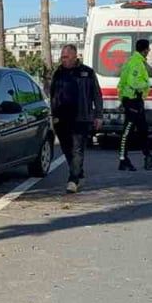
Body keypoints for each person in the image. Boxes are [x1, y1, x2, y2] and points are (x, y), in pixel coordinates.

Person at [49, 44, 103, 194]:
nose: (63, 60)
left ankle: (73, 179)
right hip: (62, 118)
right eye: (62, 57)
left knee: (77, 149)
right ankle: (79, 173)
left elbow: (97, 95)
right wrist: (53, 115)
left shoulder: (87, 72)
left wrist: (98, 115)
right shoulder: (58, 73)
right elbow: (53, 94)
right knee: (67, 149)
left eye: (66, 57)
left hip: (81, 117)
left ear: (74, 56)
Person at [116, 39, 152, 171]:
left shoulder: (133, 61)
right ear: (144, 50)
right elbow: (133, 83)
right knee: (128, 131)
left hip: (135, 101)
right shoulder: (136, 63)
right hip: (132, 100)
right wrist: (148, 85)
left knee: (143, 130)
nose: (149, 51)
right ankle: (123, 160)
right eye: (148, 49)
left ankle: (148, 158)